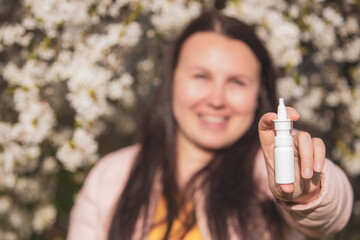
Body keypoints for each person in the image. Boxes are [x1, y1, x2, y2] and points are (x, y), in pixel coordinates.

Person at [67, 10, 353, 240]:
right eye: (201, 77)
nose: (216, 99)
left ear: (258, 95)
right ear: (172, 81)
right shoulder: (111, 177)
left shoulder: (268, 175)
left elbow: (332, 213)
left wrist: (308, 190)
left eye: (237, 82)